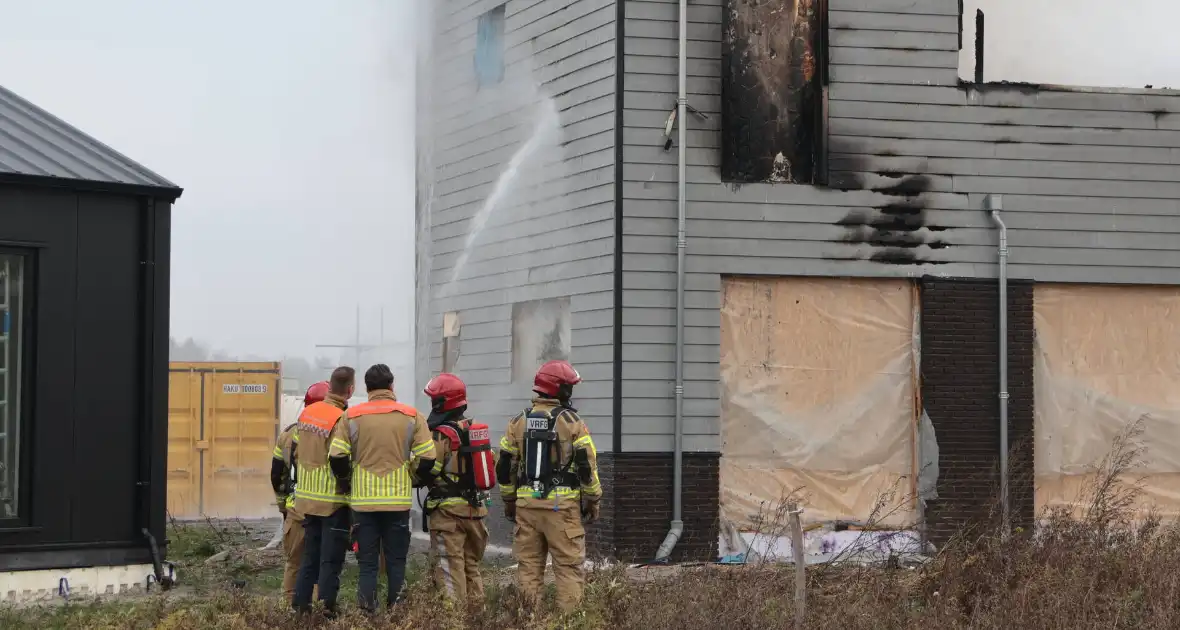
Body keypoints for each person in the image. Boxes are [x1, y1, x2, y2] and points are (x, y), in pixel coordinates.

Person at [496, 360, 602, 614]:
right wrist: (593, 500)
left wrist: (509, 501)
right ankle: (569, 622)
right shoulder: (573, 422)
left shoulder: (518, 422)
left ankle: (529, 620)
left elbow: (505, 467)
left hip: (526, 508)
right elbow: (587, 466)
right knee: (568, 568)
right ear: (560, 389)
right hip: (562, 510)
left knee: (529, 568)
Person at [331, 363, 437, 613]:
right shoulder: (411, 416)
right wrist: (412, 477)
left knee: (367, 564)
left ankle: (367, 613)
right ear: (391, 386)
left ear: (367, 388)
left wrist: (348, 480)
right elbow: (428, 458)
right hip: (397, 503)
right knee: (396, 562)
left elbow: (337, 457)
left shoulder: (350, 417)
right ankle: (397, 612)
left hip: (363, 504)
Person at [421, 373, 490, 606]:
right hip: (476, 511)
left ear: (442, 402)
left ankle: (454, 618)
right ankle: (476, 616)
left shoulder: (441, 435)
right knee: (471, 567)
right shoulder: (475, 430)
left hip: (449, 515)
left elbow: (429, 468)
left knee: (450, 569)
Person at [290, 367, 355, 616]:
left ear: (329, 386)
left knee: (310, 557)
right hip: (332, 502)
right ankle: (326, 609)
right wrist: (349, 485)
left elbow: (296, 452)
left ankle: (301, 606)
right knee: (331, 560)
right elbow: (340, 458)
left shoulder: (307, 413)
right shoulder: (341, 418)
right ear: (350, 389)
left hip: (307, 500)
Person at [270, 380, 329, 602]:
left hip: (296, 510)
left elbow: (277, 475)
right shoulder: (336, 433)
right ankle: (316, 609)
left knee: (294, 564)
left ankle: (288, 609)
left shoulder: (287, 435)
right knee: (321, 565)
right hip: (325, 511)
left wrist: (283, 507)